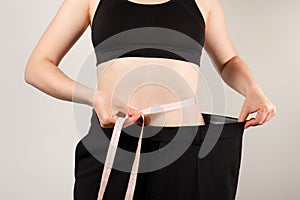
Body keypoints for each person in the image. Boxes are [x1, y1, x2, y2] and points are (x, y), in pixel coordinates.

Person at [24, 0, 276, 199]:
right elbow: (37, 67)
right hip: (113, 146)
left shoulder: (203, 2)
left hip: (186, 153)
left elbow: (228, 61)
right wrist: (94, 96)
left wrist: (252, 88)